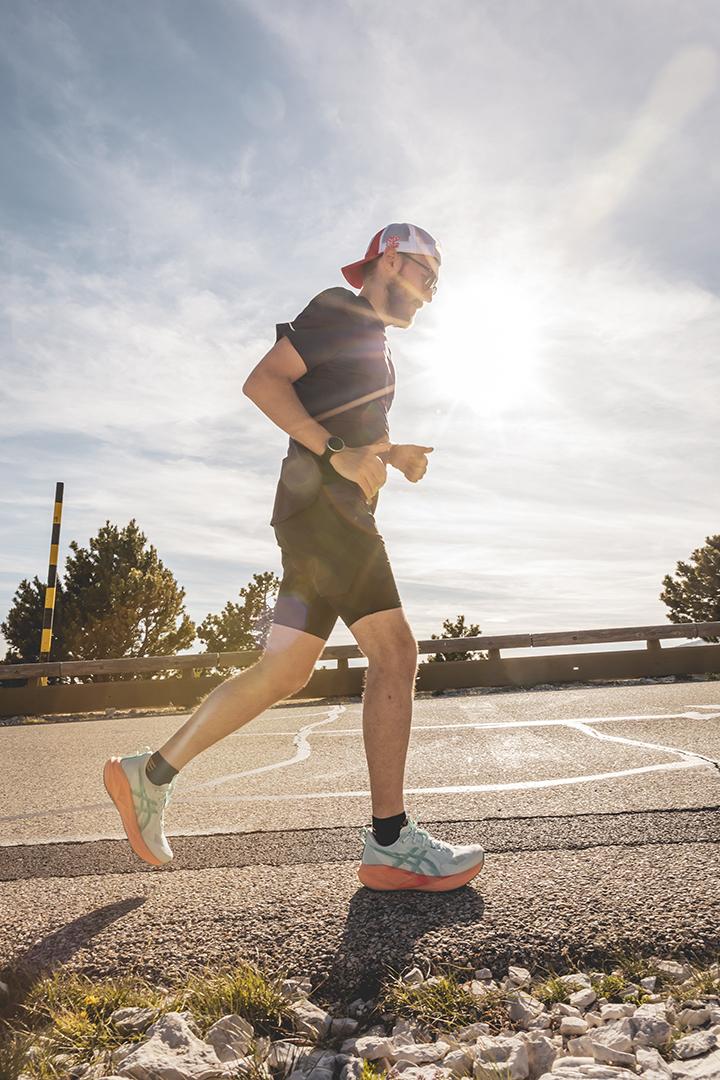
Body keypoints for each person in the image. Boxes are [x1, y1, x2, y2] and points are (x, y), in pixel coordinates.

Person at [103, 223, 485, 892]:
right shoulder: (340, 311)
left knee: (284, 670)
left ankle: (151, 774)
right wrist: (336, 454)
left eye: (436, 282)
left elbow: (344, 426)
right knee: (396, 652)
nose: (430, 291)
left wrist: (391, 453)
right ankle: (390, 843)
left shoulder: (375, 347)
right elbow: (264, 382)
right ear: (389, 261)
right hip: (326, 514)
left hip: (317, 517)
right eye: (426, 274)